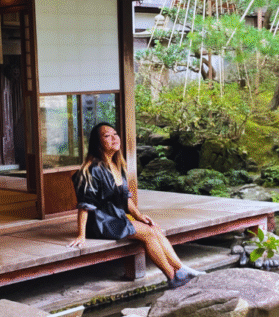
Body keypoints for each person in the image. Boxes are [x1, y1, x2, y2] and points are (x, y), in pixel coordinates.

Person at [69, 122, 198, 288]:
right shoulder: (92, 170)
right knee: (148, 234)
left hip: (115, 218)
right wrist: (81, 234)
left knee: (154, 228)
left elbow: (126, 198)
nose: (114, 138)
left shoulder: (117, 165)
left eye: (115, 134)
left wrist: (139, 215)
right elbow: (84, 205)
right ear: (97, 142)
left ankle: (180, 269)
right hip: (100, 222)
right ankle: (173, 276)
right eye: (107, 136)